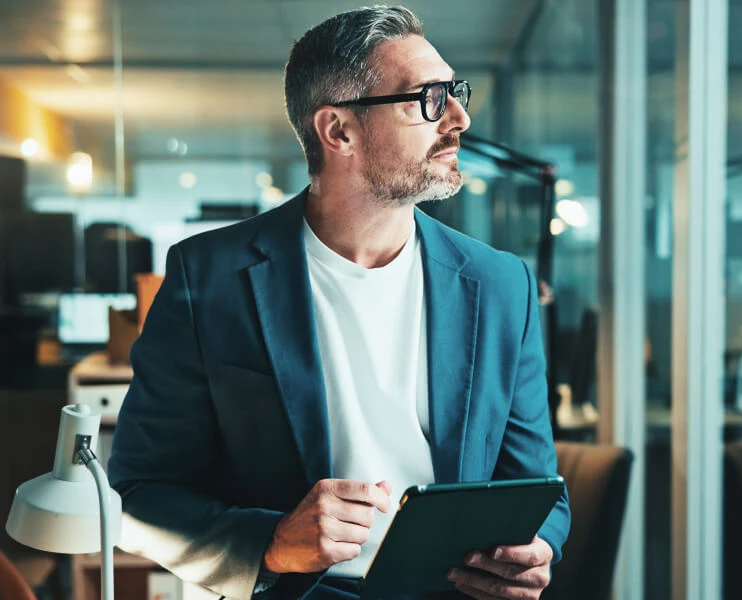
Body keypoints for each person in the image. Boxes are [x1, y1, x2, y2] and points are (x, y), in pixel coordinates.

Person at [108, 6, 570, 600]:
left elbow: (541, 489)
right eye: (427, 99)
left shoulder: (502, 284)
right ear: (338, 130)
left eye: (454, 93)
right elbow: (139, 493)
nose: (459, 118)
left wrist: (536, 549)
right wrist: (271, 542)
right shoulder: (208, 277)